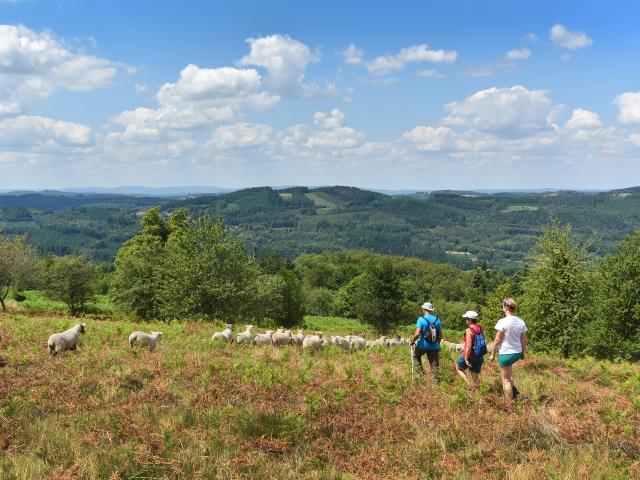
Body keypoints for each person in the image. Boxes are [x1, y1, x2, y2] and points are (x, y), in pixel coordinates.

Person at [489, 298, 527, 404]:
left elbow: (497, 340)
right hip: (517, 353)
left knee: (505, 380)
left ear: (506, 307)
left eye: (503, 306)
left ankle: (510, 405)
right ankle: (514, 394)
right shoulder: (521, 322)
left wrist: (492, 354)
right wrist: (523, 353)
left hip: (506, 353)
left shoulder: (502, 322)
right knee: (509, 375)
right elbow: (524, 340)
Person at [410, 301, 442, 382]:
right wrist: (437, 344)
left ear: (424, 309)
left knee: (415, 355)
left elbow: (417, 334)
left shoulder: (421, 319)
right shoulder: (437, 320)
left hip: (423, 345)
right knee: (434, 364)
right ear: (431, 310)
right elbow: (441, 335)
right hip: (434, 346)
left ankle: (421, 374)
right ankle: (436, 382)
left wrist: (413, 341)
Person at [455, 310, 485, 390]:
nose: (466, 321)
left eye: (466, 319)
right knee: (475, 375)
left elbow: (468, 346)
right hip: (479, 355)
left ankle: (469, 385)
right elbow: (483, 340)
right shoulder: (480, 328)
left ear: (470, 320)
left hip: (469, 355)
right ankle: (478, 395)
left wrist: (466, 358)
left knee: (458, 368)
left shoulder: (469, 330)